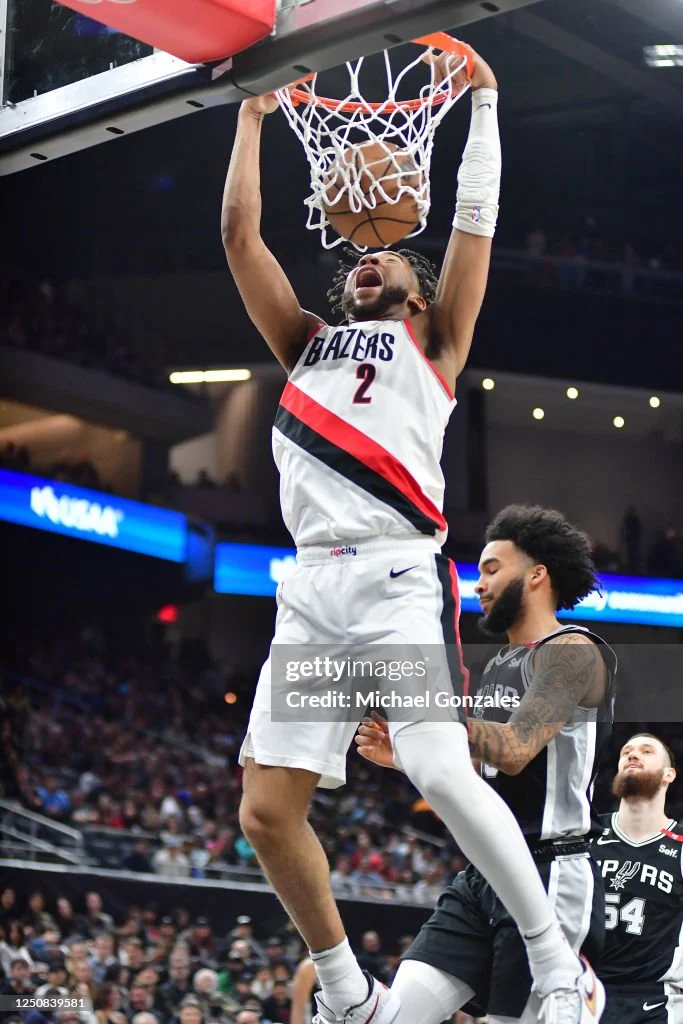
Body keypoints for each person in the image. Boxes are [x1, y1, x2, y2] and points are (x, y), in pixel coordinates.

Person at [223, 31, 602, 1024]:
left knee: (436, 761)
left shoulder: (434, 338)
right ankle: (347, 992)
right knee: (265, 812)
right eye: (361, 255)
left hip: (393, 581)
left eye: (388, 256)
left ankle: (554, 960)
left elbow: (473, 220)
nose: (367, 261)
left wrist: (479, 105)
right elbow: (237, 237)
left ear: (418, 290)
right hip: (310, 597)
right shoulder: (302, 339)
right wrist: (254, 115)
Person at [356, 504, 618, 1024]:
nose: (479, 583)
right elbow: (482, 779)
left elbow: (517, 750)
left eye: (492, 568)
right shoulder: (497, 665)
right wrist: (411, 754)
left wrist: (431, 721)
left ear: (537, 574)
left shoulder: (573, 650)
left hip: (549, 868)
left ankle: (577, 981)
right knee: (396, 1017)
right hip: (483, 871)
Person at [592, 733, 683, 1024]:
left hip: (655, 1001)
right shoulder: (585, 833)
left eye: (646, 751)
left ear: (669, 774)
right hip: (583, 989)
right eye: (626, 751)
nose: (633, 755)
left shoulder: (680, 845)